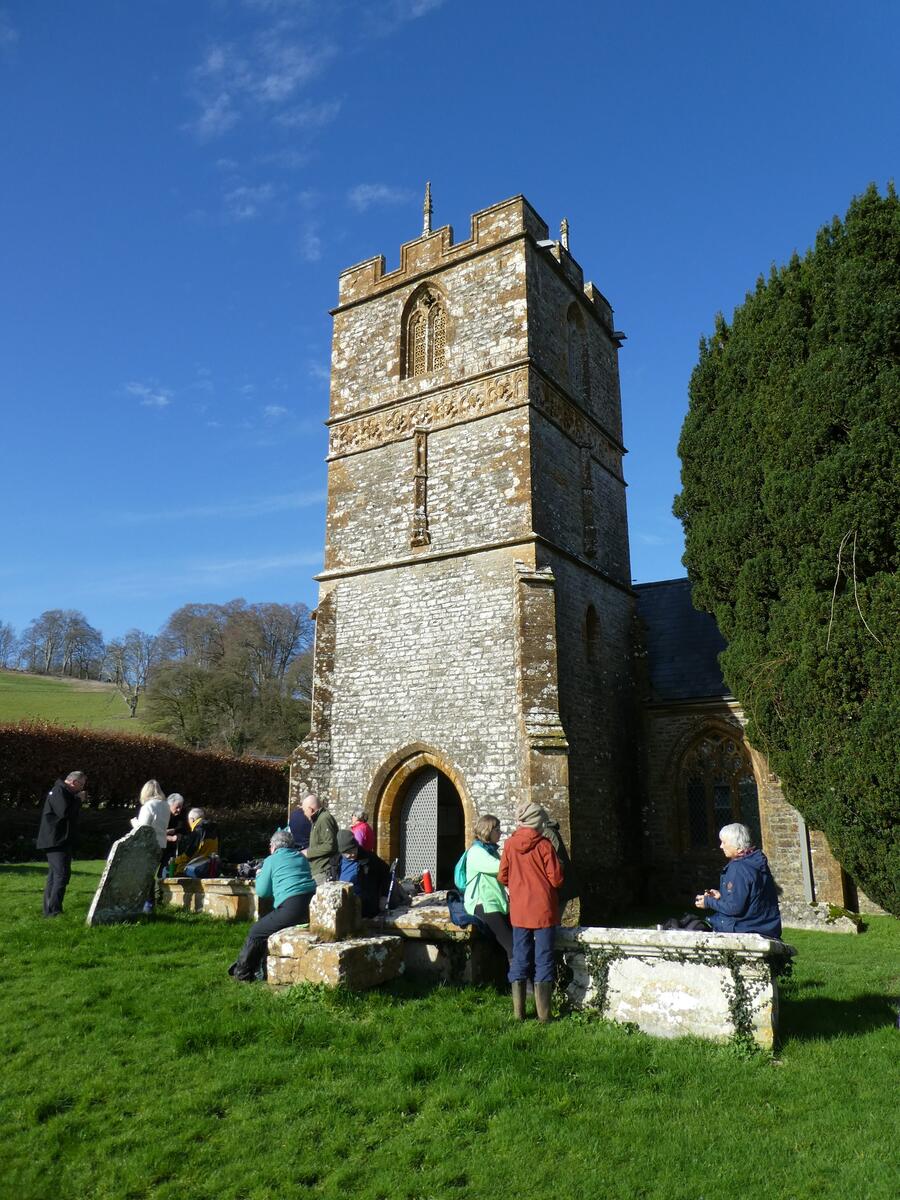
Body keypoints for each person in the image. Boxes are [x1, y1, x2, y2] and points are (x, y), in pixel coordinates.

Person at [498, 800, 564, 1022]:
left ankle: (518, 1013)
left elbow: (502, 876)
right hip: (543, 909)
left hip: (519, 910)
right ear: (538, 822)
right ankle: (544, 1015)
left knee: (520, 956)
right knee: (544, 958)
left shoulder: (509, 844)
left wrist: (518, 884)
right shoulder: (544, 845)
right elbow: (556, 879)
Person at [229, 829, 317, 982]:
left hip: (291, 908)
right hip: (310, 905)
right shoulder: (301, 857)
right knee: (268, 925)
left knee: (257, 931)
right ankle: (259, 967)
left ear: (274, 846)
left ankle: (242, 972)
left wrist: (260, 875)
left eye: (270, 845)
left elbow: (262, 892)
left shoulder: (271, 860)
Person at [694, 822, 782, 938]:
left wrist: (708, 902)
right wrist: (721, 896)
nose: (721, 846)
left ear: (737, 846)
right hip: (765, 926)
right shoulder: (755, 862)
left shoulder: (739, 868)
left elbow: (734, 908)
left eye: (724, 842)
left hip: (745, 928)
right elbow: (751, 898)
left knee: (692, 928)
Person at [459, 814, 513, 963]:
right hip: (484, 904)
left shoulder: (491, 851)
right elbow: (500, 867)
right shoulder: (477, 852)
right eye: (497, 830)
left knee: (507, 946)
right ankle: (522, 979)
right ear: (487, 831)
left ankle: (511, 976)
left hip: (496, 903)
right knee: (512, 946)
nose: (500, 832)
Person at [36, 770, 86, 917]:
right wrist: (78, 800)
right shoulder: (59, 791)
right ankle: (54, 911)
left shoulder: (63, 792)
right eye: (81, 785)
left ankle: (49, 910)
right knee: (61, 875)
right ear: (74, 782)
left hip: (59, 840)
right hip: (56, 841)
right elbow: (64, 813)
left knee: (55, 876)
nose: (82, 788)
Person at [335, 829, 392, 918]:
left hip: (365, 908)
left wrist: (384, 896)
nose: (352, 854)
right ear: (341, 852)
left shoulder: (369, 858)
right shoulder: (335, 862)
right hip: (343, 908)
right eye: (347, 852)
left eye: (353, 849)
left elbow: (387, 874)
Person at [301, 794, 338, 883]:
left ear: (310, 809)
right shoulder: (317, 819)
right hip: (318, 869)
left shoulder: (324, 818)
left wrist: (308, 852)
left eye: (304, 811)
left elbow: (330, 845)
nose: (304, 814)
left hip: (323, 871)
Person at [173, 807, 220, 878]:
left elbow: (190, 853)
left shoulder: (198, 830)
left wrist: (176, 860)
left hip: (199, 868)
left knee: (174, 869)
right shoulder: (214, 828)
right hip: (213, 866)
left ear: (192, 820)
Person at [159, 793, 188, 876]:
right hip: (160, 844)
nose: (179, 810)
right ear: (169, 805)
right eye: (177, 807)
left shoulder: (181, 815)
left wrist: (176, 832)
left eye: (180, 807)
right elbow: (156, 831)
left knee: (167, 868)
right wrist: (167, 834)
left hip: (172, 847)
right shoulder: (161, 814)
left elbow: (183, 829)